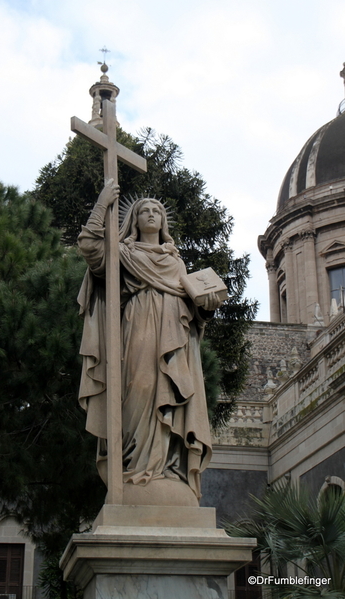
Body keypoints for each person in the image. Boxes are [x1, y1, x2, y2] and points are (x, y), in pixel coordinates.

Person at [78, 179, 221, 503]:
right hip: (138, 324)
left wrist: (206, 307)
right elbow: (90, 248)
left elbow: (192, 308)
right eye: (145, 210)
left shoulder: (175, 261)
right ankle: (134, 468)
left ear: (163, 221)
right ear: (135, 219)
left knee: (171, 393)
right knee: (139, 388)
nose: (152, 214)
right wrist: (102, 203)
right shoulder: (124, 252)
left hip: (175, 334)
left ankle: (166, 470)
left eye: (157, 210)